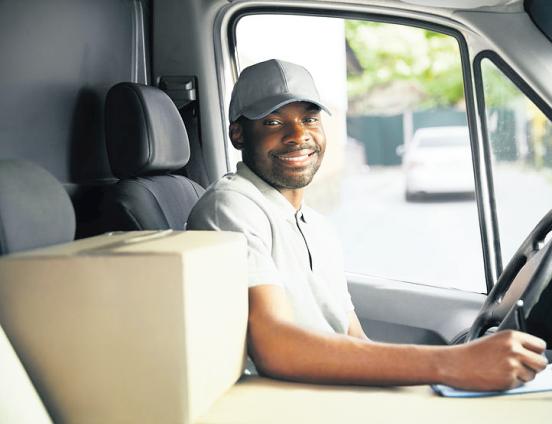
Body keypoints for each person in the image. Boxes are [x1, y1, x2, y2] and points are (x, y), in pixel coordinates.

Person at [187, 58, 548, 391]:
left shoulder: (318, 226)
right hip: (279, 402)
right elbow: (274, 345)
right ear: (238, 135)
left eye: (310, 119)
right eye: (273, 122)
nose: (298, 134)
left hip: (330, 394)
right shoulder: (230, 207)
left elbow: (353, 339)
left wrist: (435, 380)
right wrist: (452, 363)